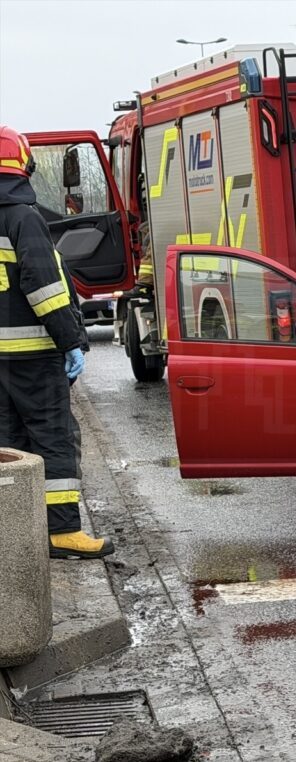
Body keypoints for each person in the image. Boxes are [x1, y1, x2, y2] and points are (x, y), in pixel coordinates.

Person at [0, 125, 114, 559]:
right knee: (53, 438)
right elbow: (43, 287)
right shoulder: (23, 216)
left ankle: (15, 533)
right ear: (22, 163)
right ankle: (63, 532)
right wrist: (70, 340)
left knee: (8, 445)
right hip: (34, 354)